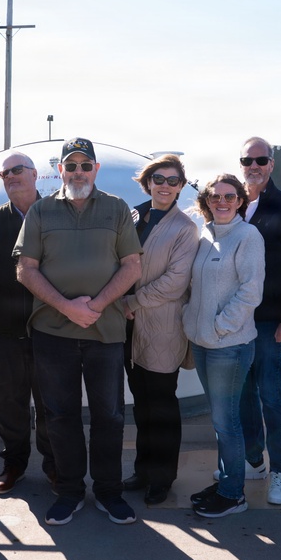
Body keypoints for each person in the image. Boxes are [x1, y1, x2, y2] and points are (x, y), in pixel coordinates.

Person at [15, 137, 142, 526]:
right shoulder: (40, 211)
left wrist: (97, 306)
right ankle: (69, 490)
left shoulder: (117, 209)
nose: (78, 172)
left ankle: (108, 490)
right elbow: (25, 269)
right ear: (61, 171)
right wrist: (67, 307)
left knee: (110, 415)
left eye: (86, 165)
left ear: (96, 169)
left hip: (105, 333)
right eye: (71, 166)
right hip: (53, 332)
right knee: (59, 415)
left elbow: (132, 266)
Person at [183, 174, 264, 518]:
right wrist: (194, 322)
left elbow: (250, 291)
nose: (223, 201)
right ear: (206, 201)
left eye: (230, 196)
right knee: (221, 420)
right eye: (215, 196)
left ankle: (233, 495)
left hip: (228, 345)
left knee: (226, 421)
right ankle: (227, 481)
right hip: (203, 343)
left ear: (241, 201)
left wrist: (219, 328)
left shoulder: (248, 236)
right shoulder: (204, 235)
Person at [120, 154, 198, 506]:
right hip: (128, 328)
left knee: (162, 405)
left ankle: (162, 478)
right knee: (142, 404)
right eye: (159, 179)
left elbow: (175, 282)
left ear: (181, 186)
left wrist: (131, 302)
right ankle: (143, 469)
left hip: (162, 325)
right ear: (147, 181)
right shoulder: (134, 216)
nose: (165, 185)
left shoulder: (185, 228)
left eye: (172, 180)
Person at [238, 137, 281, 506]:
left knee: (271, 394)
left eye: (260, 159)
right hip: (237, 321)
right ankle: (253, 461)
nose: (254, 165)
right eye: (247, 160)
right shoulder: (231, 203)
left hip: (269, 322)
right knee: (243, 394)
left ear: (272, 163)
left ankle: (279, 469)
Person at [0, 151, 56, 495]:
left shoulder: (57, 215)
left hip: (51, 332)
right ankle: (14, 463)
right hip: (7, 334)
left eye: (17, 170)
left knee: (51, 404)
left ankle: (55, 466)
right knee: (9, 404)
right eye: (4, 174)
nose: (10, 177)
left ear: (34, 174)